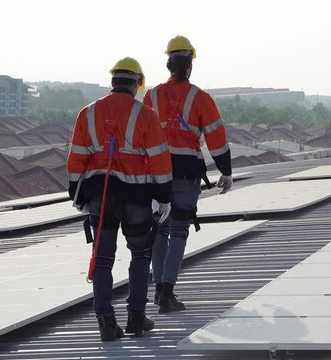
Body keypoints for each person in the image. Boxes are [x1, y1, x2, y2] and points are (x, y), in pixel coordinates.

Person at [67, 57, 172, 341]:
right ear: (137, 84)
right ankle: (136, 317)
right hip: (137, 196)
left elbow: (77, 157)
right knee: (140, 254)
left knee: (101, 259)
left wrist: (76, 194)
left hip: (100, 195)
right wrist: (164, 198)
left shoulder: (87, 113)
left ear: (113, 81)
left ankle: (106, 322)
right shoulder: (146, 115)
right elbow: (160, 160)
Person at [143, 36, 233, 313]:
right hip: (185, 173)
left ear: (168, 63)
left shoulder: (151, 96)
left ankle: (158, 291)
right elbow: (216, 139)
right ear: (189, 65)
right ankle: (168, 293)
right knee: (179, 230)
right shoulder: (201, 98)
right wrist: (226, 173)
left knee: (158, 229)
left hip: (154, 173)